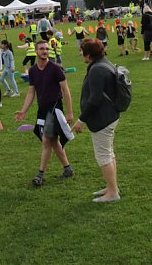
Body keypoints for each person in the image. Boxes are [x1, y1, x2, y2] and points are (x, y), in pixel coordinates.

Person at [14, 39, 75, 186]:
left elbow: (66, 91)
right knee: (53, 141)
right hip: (42, 110)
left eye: (47, 49)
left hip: (55, 109)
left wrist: (70, 112)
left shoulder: (55, 69)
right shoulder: (33, 71)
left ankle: (40, 175)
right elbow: (31, 92)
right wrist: (23, 111)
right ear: (36, 51)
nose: (45, 51)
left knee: (47, 141)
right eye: (41, 49)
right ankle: (68, 169)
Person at [72, 39, 121, 202]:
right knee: (108, 153)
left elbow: (94, 99)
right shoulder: (103, 63)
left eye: (82, 51)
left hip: (103, 118)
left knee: (103, 155)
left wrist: (81, 120)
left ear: (89, 53)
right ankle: (111, 186)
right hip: (109, 116)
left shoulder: (97, 70)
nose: (80, 54)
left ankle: (113, 193)